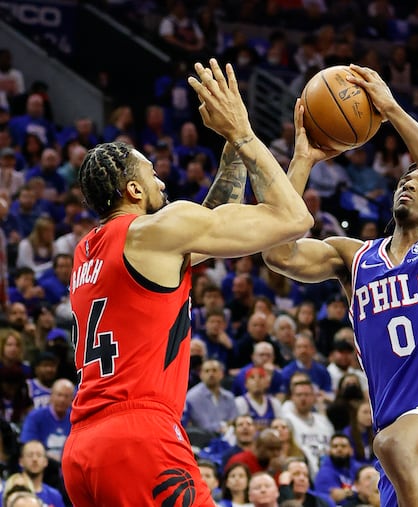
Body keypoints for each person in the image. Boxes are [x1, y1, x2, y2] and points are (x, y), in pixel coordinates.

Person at [61, 59, 313, 506]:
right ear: (133, 191)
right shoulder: (154, 231)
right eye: (150, 172)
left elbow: (206, 233)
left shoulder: (89, 251)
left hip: (83, 446)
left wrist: (230, 155)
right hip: (140, 436)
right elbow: (294, 219)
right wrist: (244, 135)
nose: (160, 178)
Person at [263, 64, 418, 507]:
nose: (410, 184)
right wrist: (303, 161)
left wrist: (390, 109)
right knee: (394, 446)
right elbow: (279, 254)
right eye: (405, 180)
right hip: (397, 438)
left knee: (395, 445)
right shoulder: (354, 258)